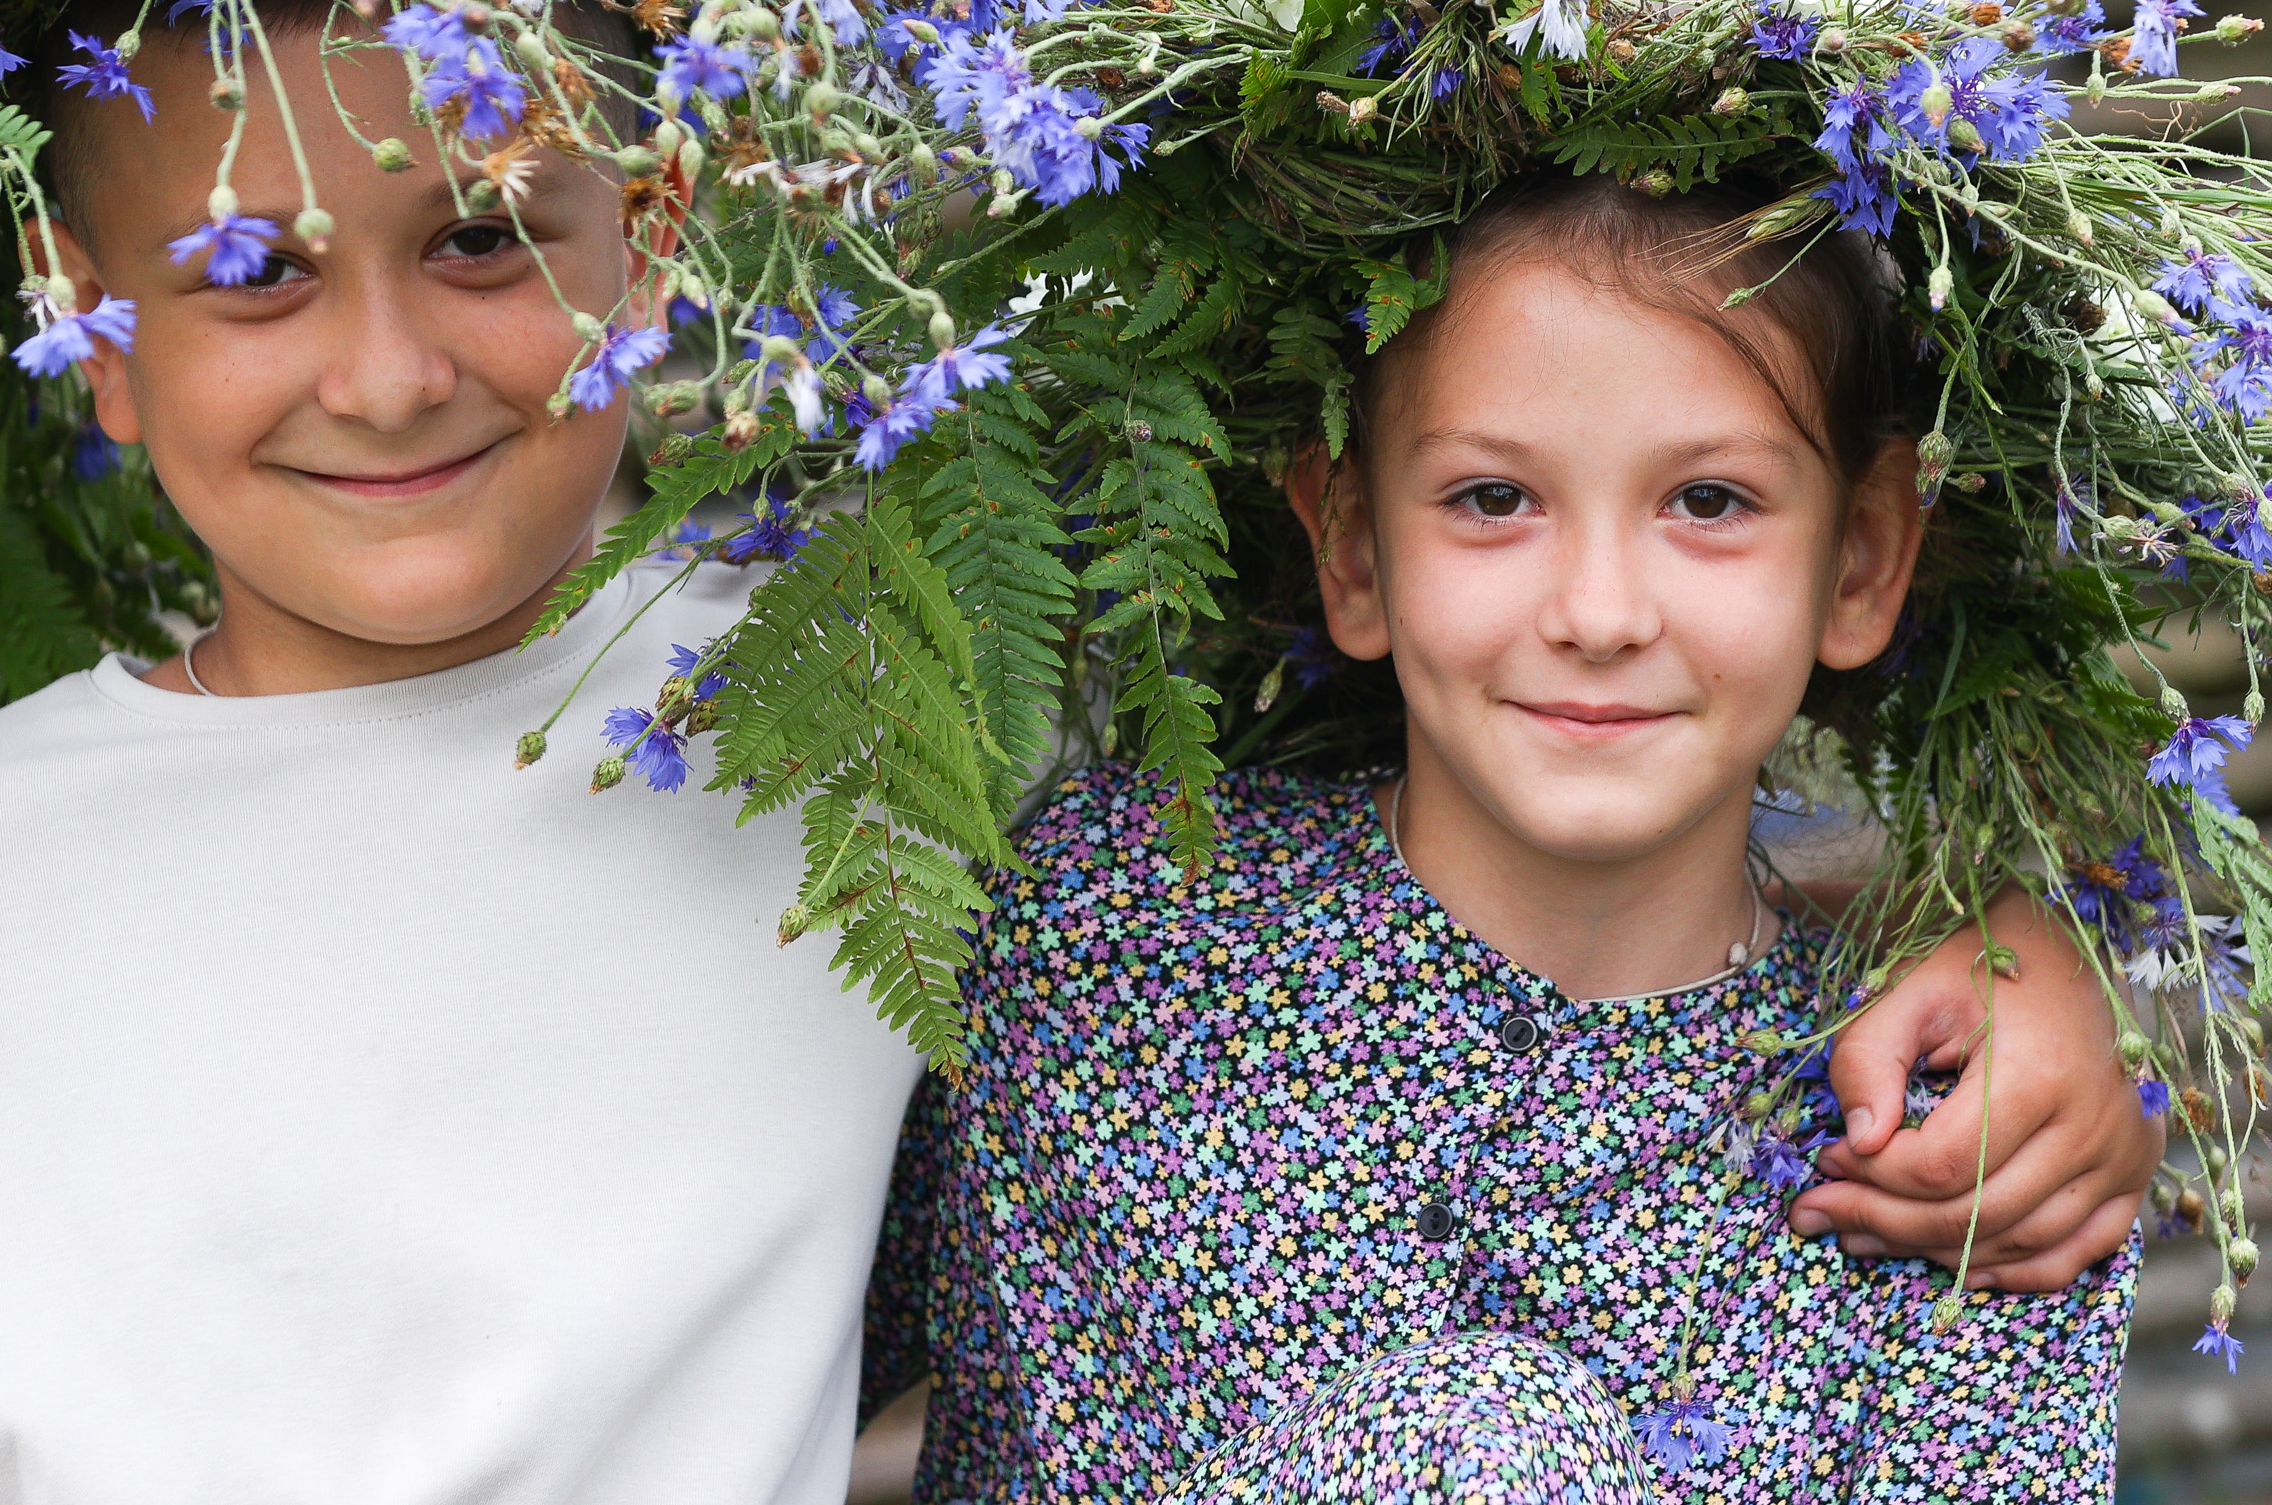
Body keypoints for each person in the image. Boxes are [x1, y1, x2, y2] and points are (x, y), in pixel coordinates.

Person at [0, 0, 2147, 1505]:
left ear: (663, 219)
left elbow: (1511, 794)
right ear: (76, 308)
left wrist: (2013, 928)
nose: (386, 369)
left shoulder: (867, 749)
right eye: (251, 272)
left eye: (486, 230)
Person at [868, 171, 2144, 1500]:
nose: (1599, 612)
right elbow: (742, 1327)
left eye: (1708, 501)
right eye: (1493, 499)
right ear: (1353, 546)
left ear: (1865, 558)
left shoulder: (1953, 1154)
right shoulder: (1105, 924)